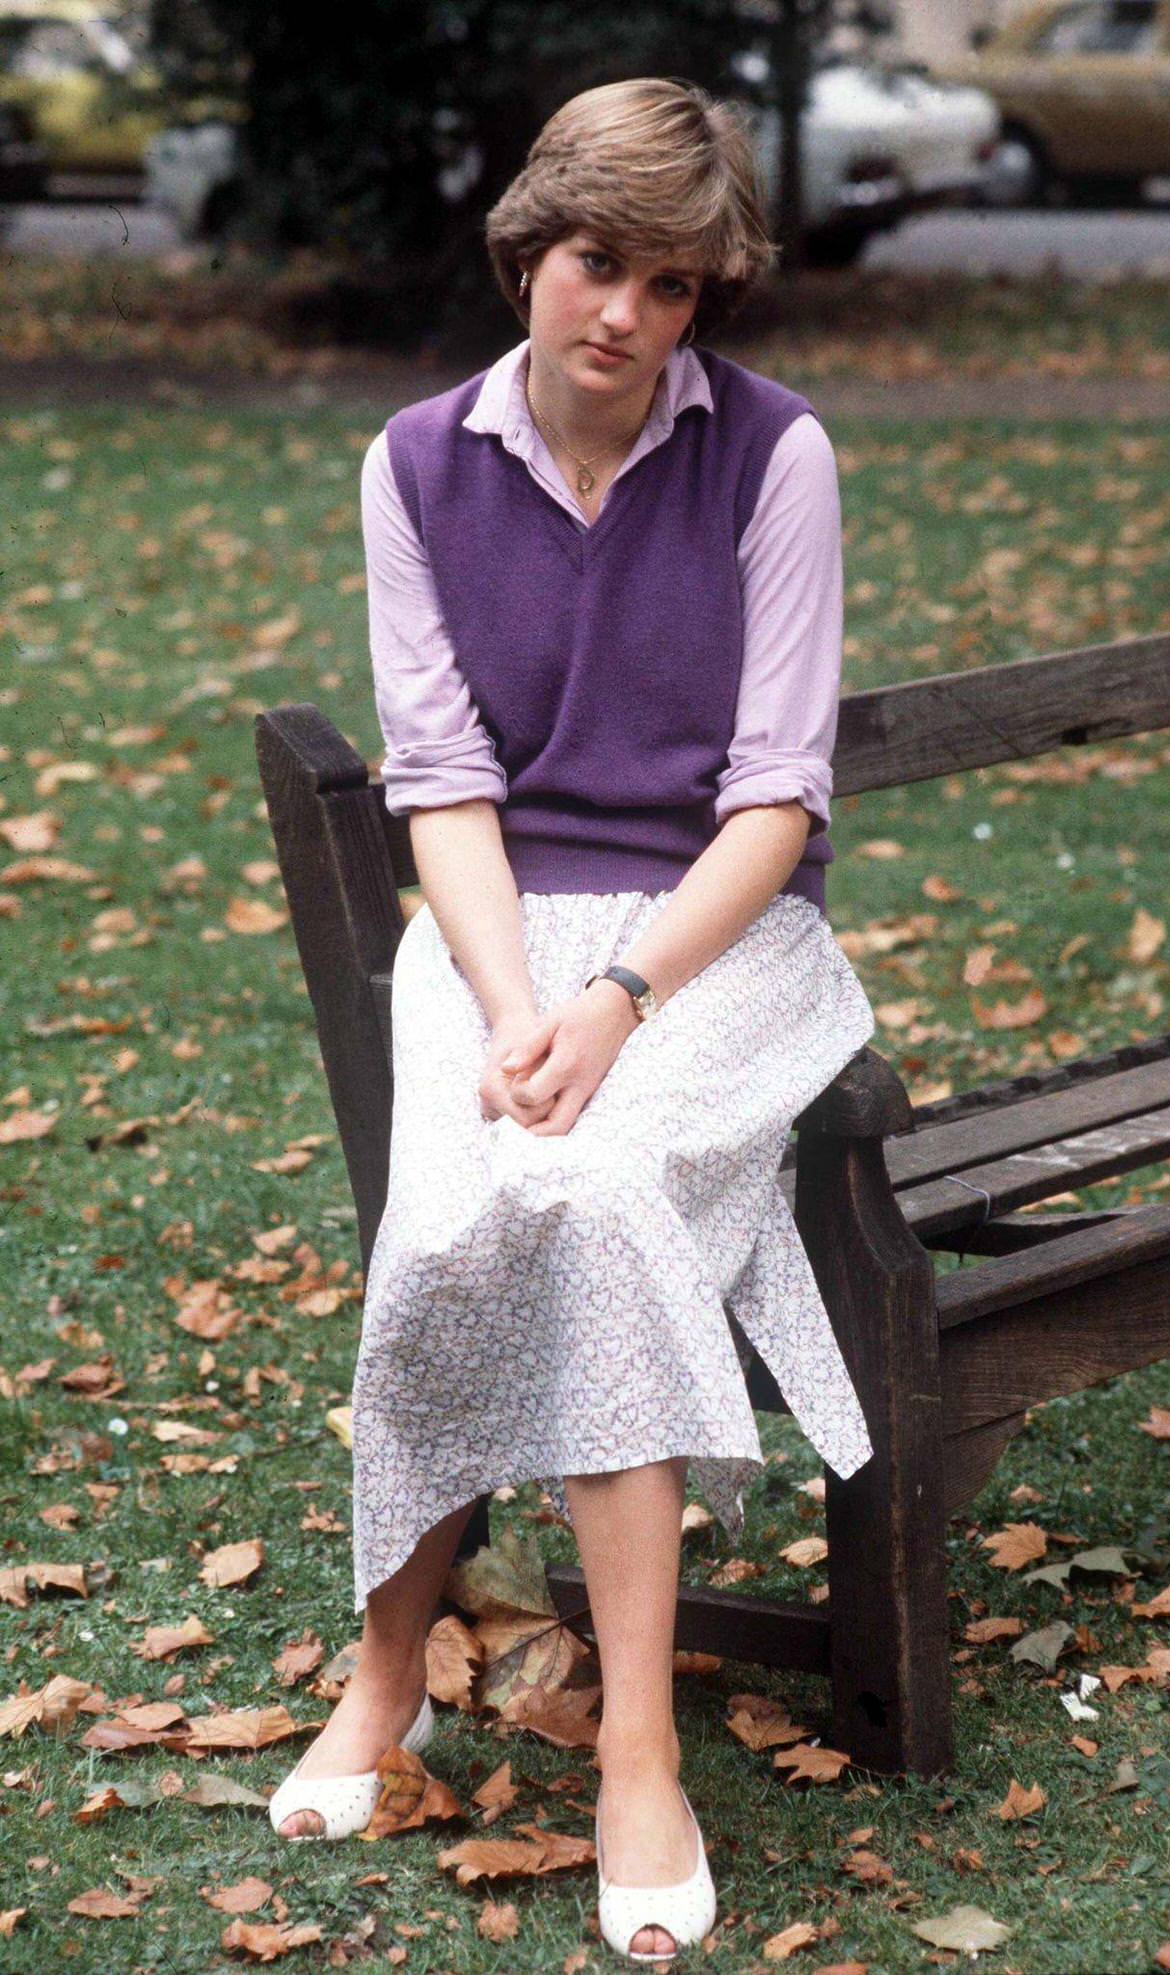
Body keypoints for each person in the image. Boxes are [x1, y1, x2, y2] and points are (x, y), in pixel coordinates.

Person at [267, 74, 877, 1965]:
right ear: (531, 247)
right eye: (597, 263)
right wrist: (518, 997)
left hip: (716, 949)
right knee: (460, 1206)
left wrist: (615, 1004)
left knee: (596, 1195)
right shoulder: (415, 464)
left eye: (674, 286)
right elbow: (438, 779)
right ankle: (390, 1674)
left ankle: (637, 1746)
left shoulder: (776, 459)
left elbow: (776, 804)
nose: (623, 315)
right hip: (494, 935)